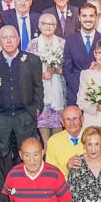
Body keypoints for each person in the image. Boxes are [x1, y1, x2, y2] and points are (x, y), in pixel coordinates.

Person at [0, 25, 44, 160]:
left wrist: (37, 108)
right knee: (1, 154)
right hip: (1, 116)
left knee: (26, 152)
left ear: (18, 40)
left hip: (25, 114)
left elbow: (38, 87)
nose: (8, 41)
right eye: (4, 38)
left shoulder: (32, 60)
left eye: (12, 37)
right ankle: (4, 180)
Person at [27, 12, 66, 143]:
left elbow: (68, 68)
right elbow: (27, 69)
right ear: (39, 25)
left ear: (56, 26)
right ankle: (46, 150)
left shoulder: (62, 43)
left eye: (51, 24)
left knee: (57, 135)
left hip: (59, 91)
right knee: (44, 131)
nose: (48, 26)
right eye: (45, 23)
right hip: (40, 91)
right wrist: (41, 75)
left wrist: (56, 70)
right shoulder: (33, 44)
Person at [44, 106, 86, 175]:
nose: (72, 123)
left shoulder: (92, 136)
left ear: (82, 119)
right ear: (62, 122)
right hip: (64, 184)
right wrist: (66, 167)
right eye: (68, 119)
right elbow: (50, 172)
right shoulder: (53, 141)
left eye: (75, 118)